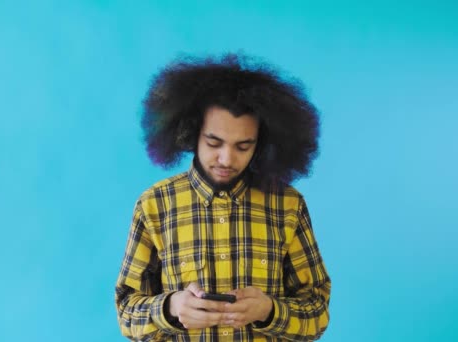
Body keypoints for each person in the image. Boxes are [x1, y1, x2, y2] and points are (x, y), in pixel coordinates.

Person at [115, 53, 331, 341]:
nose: (227, 158)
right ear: (191, 134)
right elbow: (126, 311)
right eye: (214, 143)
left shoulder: (287, 206)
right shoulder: (155, 205)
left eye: (243, 146)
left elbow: (317, 312)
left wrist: (269, 310)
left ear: (262, 143)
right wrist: (170, 308)